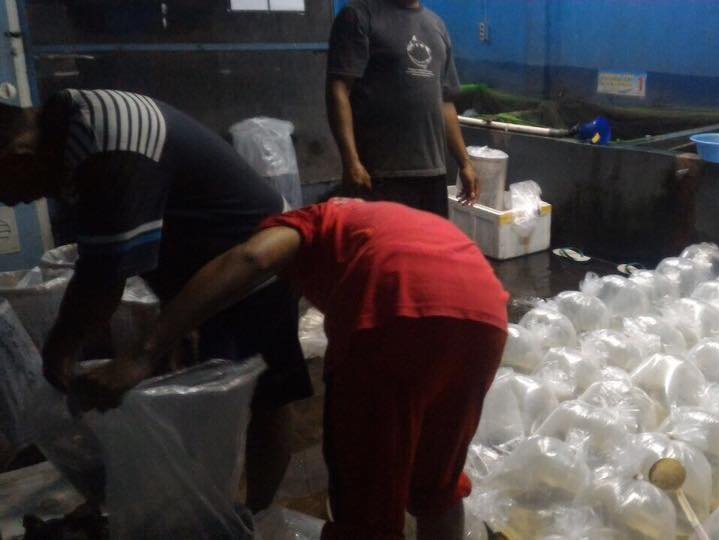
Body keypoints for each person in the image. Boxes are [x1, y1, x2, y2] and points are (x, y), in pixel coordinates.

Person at [74, 198, 509, 539]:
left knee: (367, 505)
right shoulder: (373, 221)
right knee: (437, 484)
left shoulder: (306, 221)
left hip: (393, 308)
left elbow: (252, 260)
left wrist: (146, 352)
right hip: (485, 315)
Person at [0, 90, 311, 512]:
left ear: (17, 155)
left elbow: (103, 277)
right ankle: (207, 502)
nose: (7, 201)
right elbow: (101, 258)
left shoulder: (108, 147)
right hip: (198, 273)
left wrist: (72, 351)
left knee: (267, 395)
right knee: (205, 392)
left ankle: (256, 514)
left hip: (254, 263)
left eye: (2, 186)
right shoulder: (71, 138)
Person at [327, 0, 479, 215]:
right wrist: (351, 161)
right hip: (379, 174)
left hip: (432, 174)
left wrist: (465, 163)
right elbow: (339, 89)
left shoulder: (436, 25)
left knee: (430, 237)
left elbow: (445, 102)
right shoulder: (359, 16)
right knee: (384, 237)